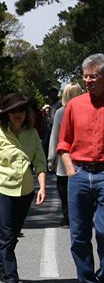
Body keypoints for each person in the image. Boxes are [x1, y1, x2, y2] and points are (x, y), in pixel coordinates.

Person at [0, 92, 47, 283]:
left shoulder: (32, 134)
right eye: (13, 111)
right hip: (1, 189)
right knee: (6, 235)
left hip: (25, 191)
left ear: (26, 113)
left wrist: (42, 187)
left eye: (21, 110)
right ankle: (11, 277)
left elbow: (40, 163)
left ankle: (1, 263)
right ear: (6, 114)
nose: (17, 114)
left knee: (13, 235)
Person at [57, 53, 104, 283]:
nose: (87, 80)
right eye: (85, 76)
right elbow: (64, 142)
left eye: (93, 76)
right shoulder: (75, 106)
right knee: (79, 234)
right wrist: (70, 170)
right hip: (79, 173)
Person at [47, 82, 82, 228]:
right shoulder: (63, 112)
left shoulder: (61, 112)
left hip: (65, 156)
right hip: (77, 156)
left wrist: (51, 158)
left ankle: (67, 213)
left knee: (64, 187)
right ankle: (73, 213)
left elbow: (55, 137)